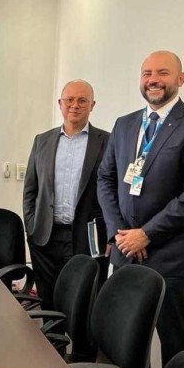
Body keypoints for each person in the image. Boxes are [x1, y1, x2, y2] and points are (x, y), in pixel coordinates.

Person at [97, 50, 184, 365]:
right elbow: (105, 179)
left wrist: (146, 234)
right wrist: (119, 234)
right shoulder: (124, 125)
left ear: (181, 78)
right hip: (125, 252)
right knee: (122, 339)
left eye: (163, 73)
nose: (153, 80)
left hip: (171, 258)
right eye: (147, 73)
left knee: (175, 345)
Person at [23, 80, 109, 309]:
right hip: (45, 238)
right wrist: (31, 226)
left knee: (85, 304)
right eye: (69, 100)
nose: (75, 105)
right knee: (48, 302)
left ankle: (81, 336)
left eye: (82, 100)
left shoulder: (108, 142)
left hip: (89, 238)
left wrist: (110, 234)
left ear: (92, 105)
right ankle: (52, 335)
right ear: (60, 103)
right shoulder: (42, 141)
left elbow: (114, 192)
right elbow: (31, 189)